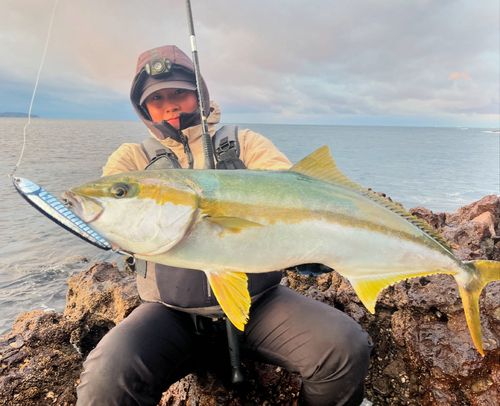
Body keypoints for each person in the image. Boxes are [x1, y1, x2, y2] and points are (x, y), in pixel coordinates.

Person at [76, 45, 373, 406]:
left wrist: (313, 247)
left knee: (345, 347)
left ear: (200, 95)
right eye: (157, 99)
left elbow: (294, 194)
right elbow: (115, 219)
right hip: (170, 314)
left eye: (180, 93)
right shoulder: (131, 159)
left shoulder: (244, 143)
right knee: (106, 378)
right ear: (144, 109)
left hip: (261, 303)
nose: (170, 105)